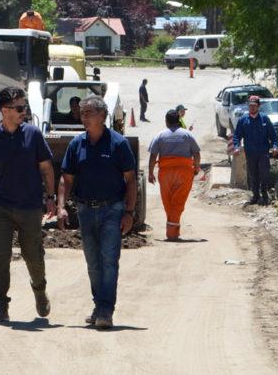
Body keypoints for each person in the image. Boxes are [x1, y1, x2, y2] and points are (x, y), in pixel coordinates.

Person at [54, 95, 137, 329]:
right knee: (92, 262)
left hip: (113, 209)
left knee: (109, 260)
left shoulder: (118, 144)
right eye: (82, 113)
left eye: (89, 112)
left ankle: (105, 310)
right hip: (85, 210)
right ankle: (99, 303)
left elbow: (130, 181)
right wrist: (61, 207)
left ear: (103, 116)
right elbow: (66, 179)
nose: (84, 117)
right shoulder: (76, 144)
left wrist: (129, 212)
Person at [0, 86, 57, 323]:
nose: (24, 111)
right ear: (5, 110)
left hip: (30, 206)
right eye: (19, 108)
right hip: (0, 206)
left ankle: (39, 289)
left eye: (24, 107)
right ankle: (0, 305)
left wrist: (50, 198)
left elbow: (47, 169)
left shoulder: (33, 134)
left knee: (33, 255)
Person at [148, 110, 201, 240]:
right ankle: (172, 233)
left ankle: (172, 231)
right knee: (178, 200)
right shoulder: (188, 134)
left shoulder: (160, 135)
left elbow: (153, 156)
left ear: (166, 122)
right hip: (184, 172)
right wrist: (197, 167)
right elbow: (196, 153)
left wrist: (150, 173)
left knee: (168, 201)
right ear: (178, 120)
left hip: (165, 173)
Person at [233, 95, 278, 205]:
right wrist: (236, 147)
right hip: (250, 152)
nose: (252, 108)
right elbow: (237, 136)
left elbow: (273, 135)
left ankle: (264, 194)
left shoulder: (264, 119)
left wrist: (275, 146)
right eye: (250, 106)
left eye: (254, 106)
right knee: (253, 175)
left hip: (263, 152)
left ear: (259, 106)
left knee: (264, 173)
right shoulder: (243, 120)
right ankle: (255, 196)